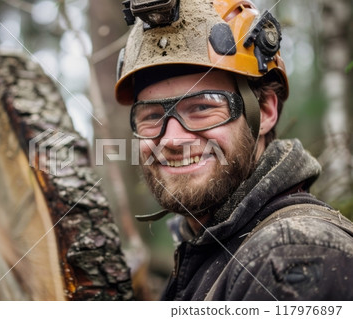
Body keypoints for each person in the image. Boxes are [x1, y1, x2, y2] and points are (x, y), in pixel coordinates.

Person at [114, 0, 353, 300]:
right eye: (151, 116)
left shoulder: (292, 258)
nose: (172, 140)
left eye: (202, 107)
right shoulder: (207, 249)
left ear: (265, 111)